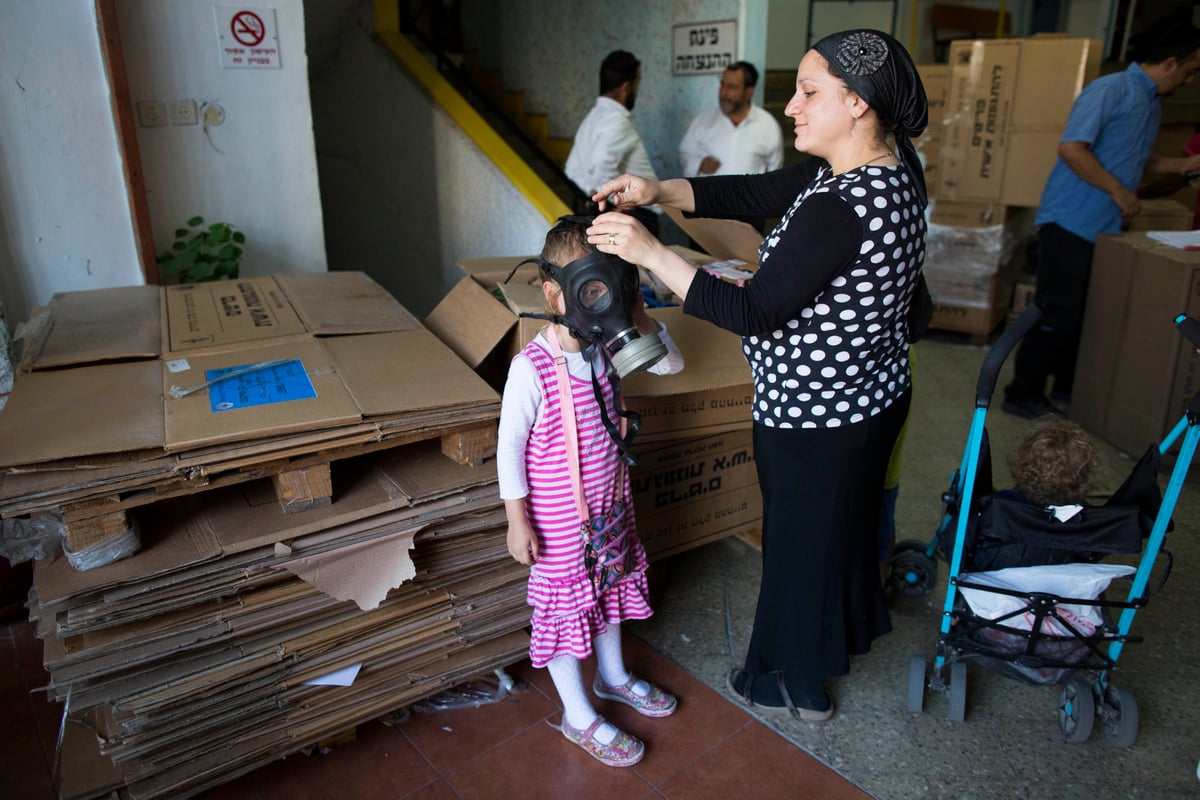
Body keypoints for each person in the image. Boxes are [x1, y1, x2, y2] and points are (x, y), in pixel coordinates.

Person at [584, 29, 929, 721]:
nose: (793, 108)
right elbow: (753, 190)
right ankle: (820, 651)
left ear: (857, 102)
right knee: (840, 534)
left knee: (802, 548)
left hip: (816, 419)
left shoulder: (841, 203)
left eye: (808, 92)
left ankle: (793, 679)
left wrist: (652, 252)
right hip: (870, 396)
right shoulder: (884, 168)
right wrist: (659, 190)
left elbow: (752, 311)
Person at [497, 217, 684, 767]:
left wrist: (637, 315)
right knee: (566, 614)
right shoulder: (531, 370)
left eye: (613, 284)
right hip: (556, 525)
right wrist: (517, 520)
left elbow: (671, 364)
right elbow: (509, 448)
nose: (601, 302)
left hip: (611, 508)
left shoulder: (606, 346)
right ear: (555, 291)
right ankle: (577, 715)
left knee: (611, 591)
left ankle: (613, 676)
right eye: (591, 290)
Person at [1002, 24, 1200, 420]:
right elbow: (1073, 149)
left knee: (1085, 313)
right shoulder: (1110, 90)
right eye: (1190, 71)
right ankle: (1021, 391)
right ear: (1170, 63)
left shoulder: (1151, 102)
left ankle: (1065, 387)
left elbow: (1133, 156)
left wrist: (1181, 164)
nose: (1190, 80)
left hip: (1104, 227)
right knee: (1055, 310)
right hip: (1071, 219)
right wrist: (1118, 191)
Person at [678, 61, 784, 233]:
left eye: (732, 87)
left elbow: (774, 173)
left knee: (746, 260)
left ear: (749, 91)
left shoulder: (768, 126)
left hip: (749, 214)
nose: (723, 93)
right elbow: (684, 154)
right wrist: (700, 163)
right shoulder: (704, 121)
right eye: (722, 85)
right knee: (700, 259)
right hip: (707, 211)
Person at [564, 50, 661, 237]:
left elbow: (571, 170)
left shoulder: (591, 119)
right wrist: (609, 204)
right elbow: (602, 163)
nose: (637, 91)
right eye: (637, 84)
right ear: (626, 87)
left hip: (619, 213)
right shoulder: (617, 121)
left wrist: (593, 195)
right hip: (636, 215)